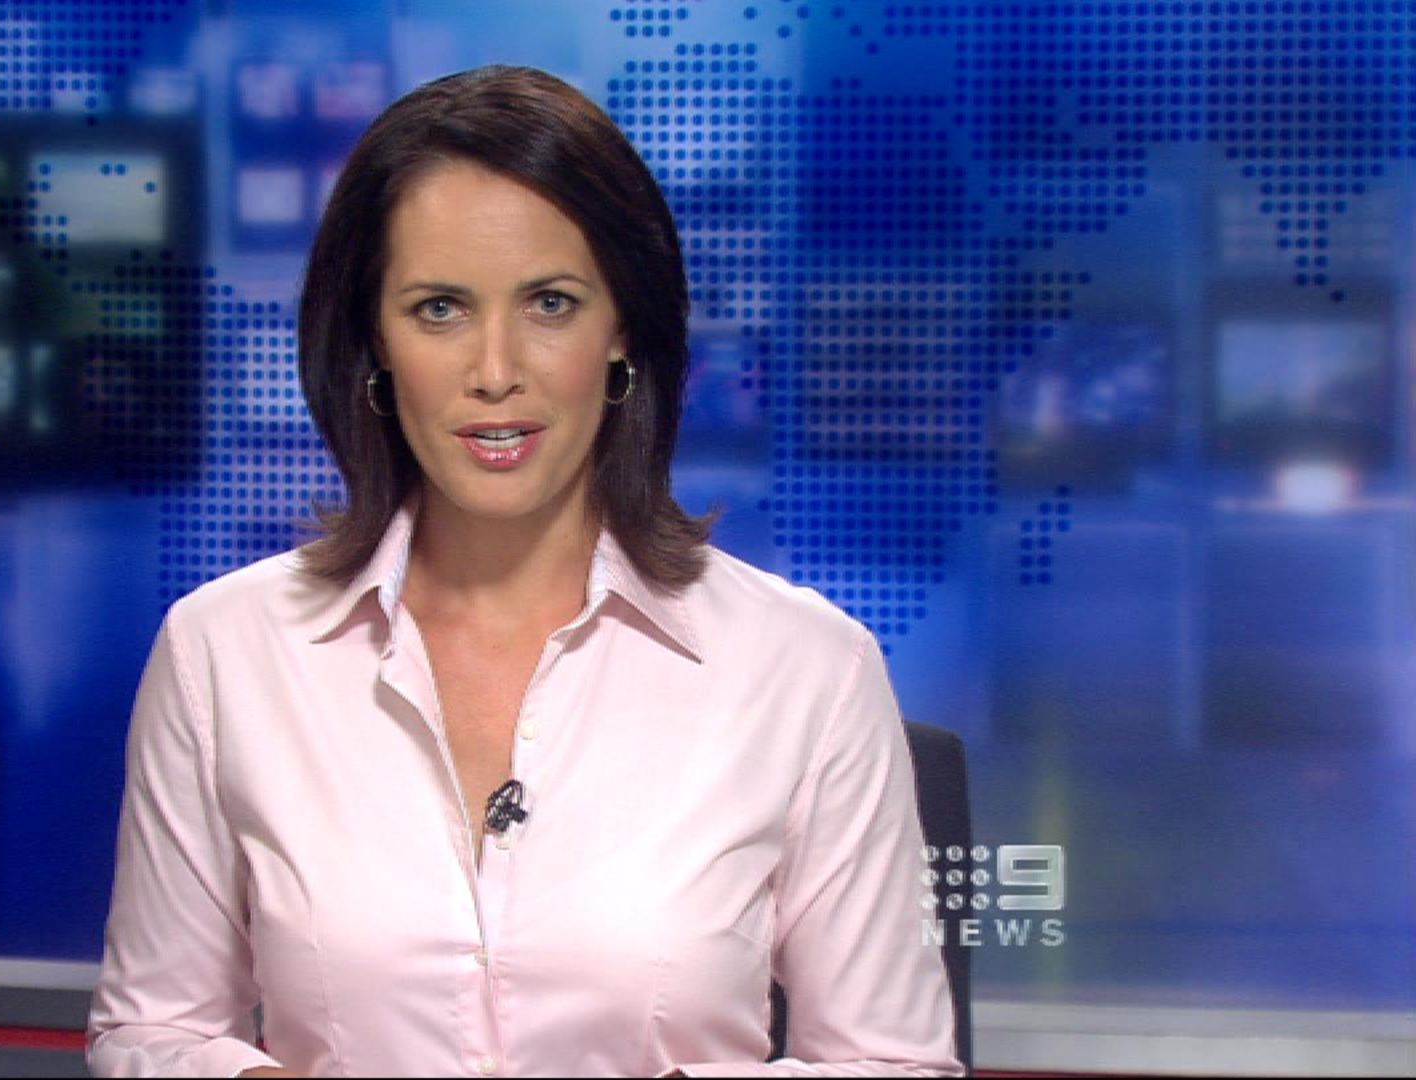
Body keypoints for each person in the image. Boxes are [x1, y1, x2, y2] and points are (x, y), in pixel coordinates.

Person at [86, 64, 964, 1078]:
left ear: (622, 328)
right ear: (374, 340)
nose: (496, 370)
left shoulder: (806, 668)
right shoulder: (225, 653)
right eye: (440, 309)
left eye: (550, 303)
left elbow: (896, 1065)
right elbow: (149, 1032)